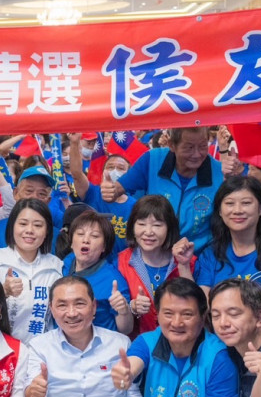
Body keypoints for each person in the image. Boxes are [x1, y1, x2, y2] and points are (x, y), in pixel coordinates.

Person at [110, 126, 224, 254]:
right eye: (189, 147)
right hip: (153, 255)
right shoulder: (152, 160)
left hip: (199, 259)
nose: (197, 154)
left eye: (203, 146)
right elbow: (117, 189)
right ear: (172, 145)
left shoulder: (220, 172)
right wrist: (109, 190)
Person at [0, 199, 64, 343]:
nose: (29, 230)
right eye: (23, 224)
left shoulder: (56, 266)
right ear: (12, 226)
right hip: (0, 350)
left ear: (47, 230)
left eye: (37, 225)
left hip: (41, 352)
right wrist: (2, 292)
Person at [115, 196, 187, 337]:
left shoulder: (186, 260)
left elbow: (196, 305)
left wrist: (183, 265)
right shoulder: (120, 262)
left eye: (157, 225)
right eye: (141, 224)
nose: (148, 232)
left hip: (181, 340)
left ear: (169, 228)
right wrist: (133, 307)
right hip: (140, 345)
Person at [60, 208, 132, 335]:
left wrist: (123, 311)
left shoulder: (114, 281)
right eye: (80, 234)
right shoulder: (66, 262)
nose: (85, 240)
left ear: (104, 246)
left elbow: (126, 329)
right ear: (71, 242)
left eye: (94, 236)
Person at [195, 175, 261, 294]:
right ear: (220, 211)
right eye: (230, 203)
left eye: (246, 203)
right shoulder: (210, 255)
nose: (237, 210)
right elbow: (203, 304)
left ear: (260, 209)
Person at [68, 135, 135, 251]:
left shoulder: (135, 206)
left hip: (122, 265)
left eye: (120, 168)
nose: (114, 171)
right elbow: (77, 174)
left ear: (129, 173)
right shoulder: (93, 193)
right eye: (110, 167)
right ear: (103, 172)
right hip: (92, 261)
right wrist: (74, 143)